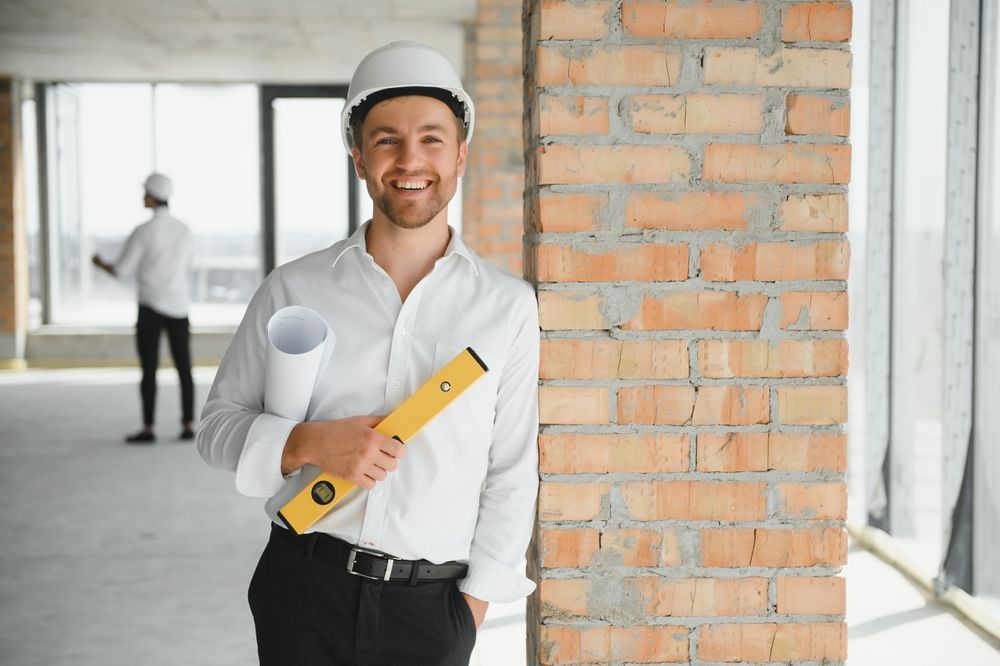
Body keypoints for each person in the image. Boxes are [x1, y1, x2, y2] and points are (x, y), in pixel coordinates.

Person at [197, 41, 539, 665]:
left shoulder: (507, 307)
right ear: (358, 157)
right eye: (386, 140)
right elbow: (217, 431)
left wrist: (472, 609)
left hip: (431, 611)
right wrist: (312, 443)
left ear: (461, 154)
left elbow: (512, 473)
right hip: (301, 586)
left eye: (432, 139)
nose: (411, 160)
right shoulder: (293, 288)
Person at [92, 173, 195, 443]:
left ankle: (148, 429)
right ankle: (188, 424)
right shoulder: (184, 230)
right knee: (184, 368)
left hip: (150, 306)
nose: (142, 197)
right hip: (179, 305)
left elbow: (122, 269)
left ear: (151, 196)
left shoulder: (144, 231)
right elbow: (188, 268)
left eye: (144, 193)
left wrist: (100, 263)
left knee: (149, 369)